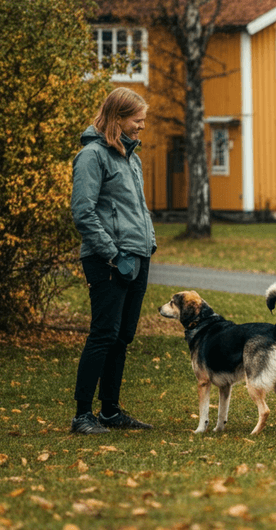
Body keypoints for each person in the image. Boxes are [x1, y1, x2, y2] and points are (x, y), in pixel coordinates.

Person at [70, 88, 157, 434]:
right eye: (137, 121)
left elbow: (136, 208)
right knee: (103, 334)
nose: (142, 127)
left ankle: (109, 411)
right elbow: (83, 212)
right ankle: (82, 415)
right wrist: (112, 254)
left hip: (137, 257)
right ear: (117, 118)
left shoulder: (130, 157)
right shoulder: (92, 156)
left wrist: (148, 242)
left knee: (123, 337)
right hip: (108, 261)